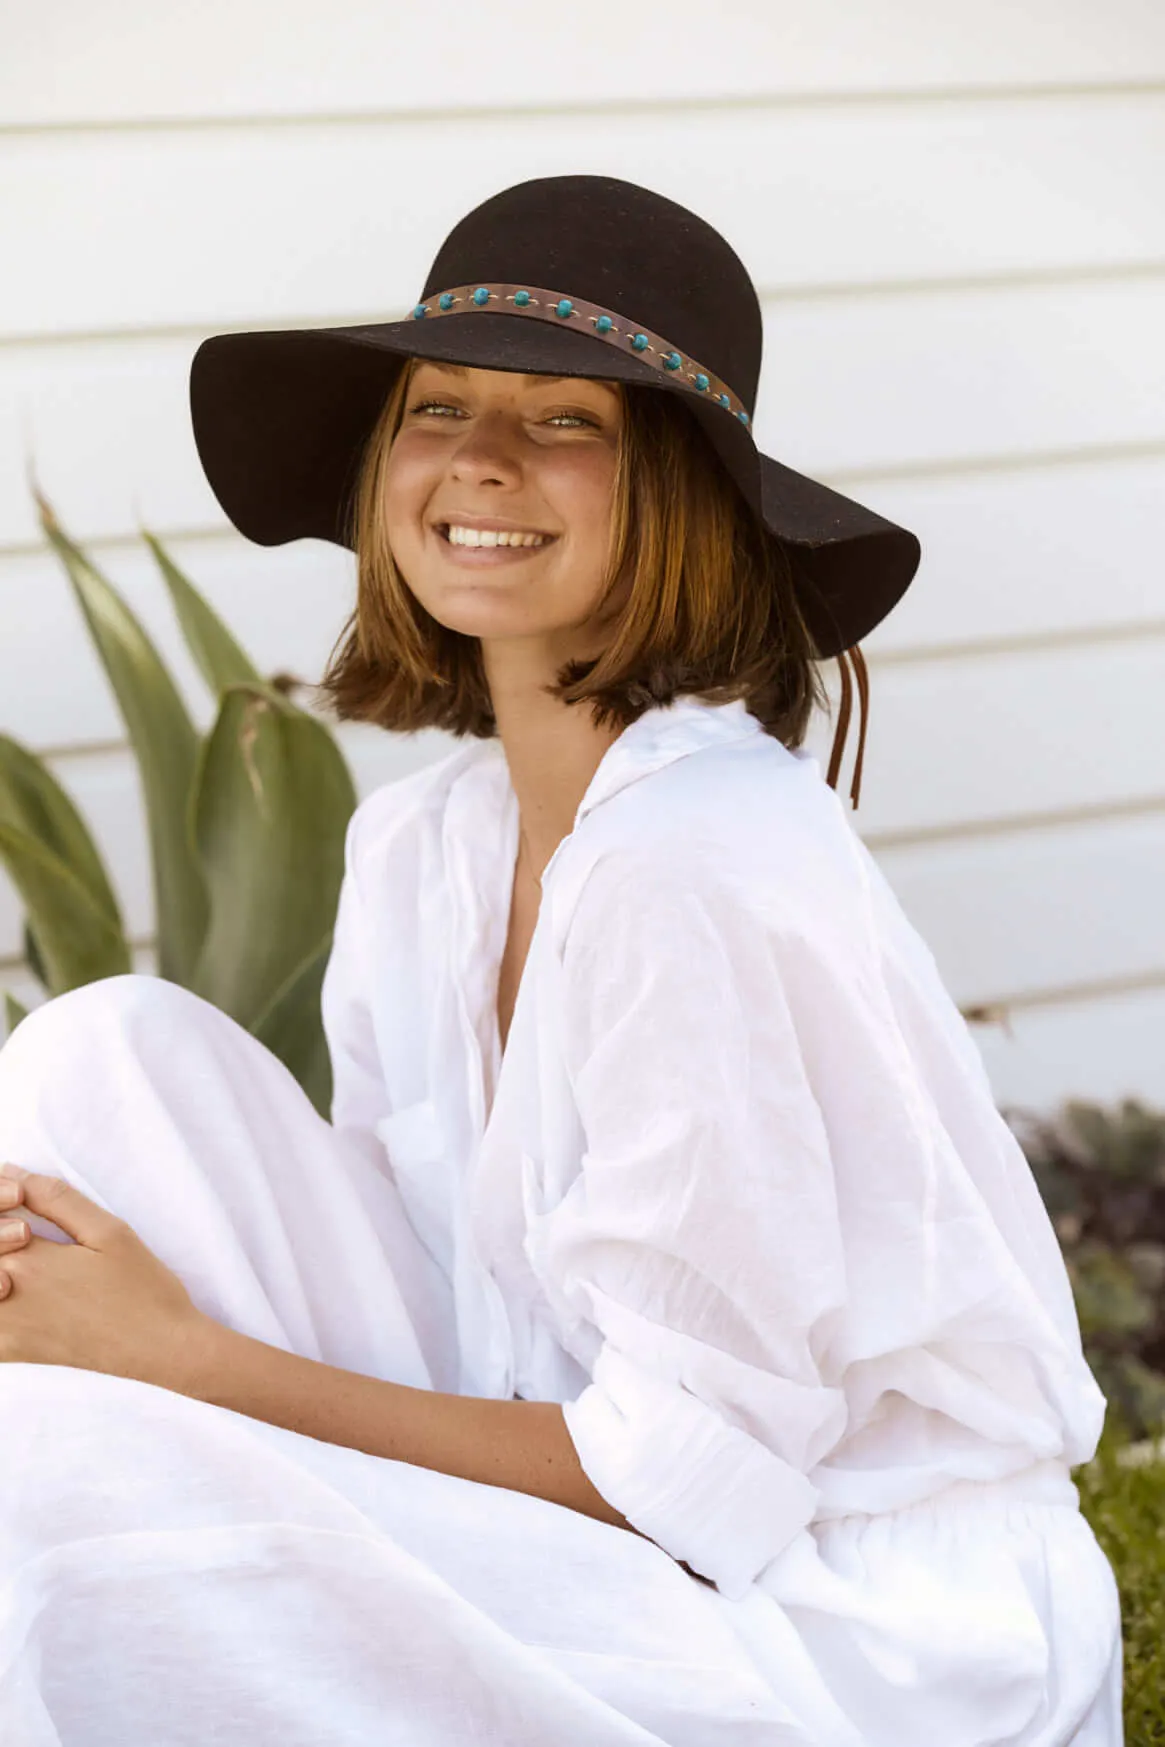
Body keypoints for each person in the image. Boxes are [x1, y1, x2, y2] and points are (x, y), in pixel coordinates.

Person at [0, 175, 1122, 1745]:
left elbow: (692, 1490)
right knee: (95, 1052)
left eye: (566, 422)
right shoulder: (431, 847)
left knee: (62, 1477)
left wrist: (178, 1360)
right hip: (615, 1498)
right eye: (440, 405)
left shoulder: (693, 871)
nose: (479, 461)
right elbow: (442, 1280)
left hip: (845, 1627)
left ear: (675, 490)